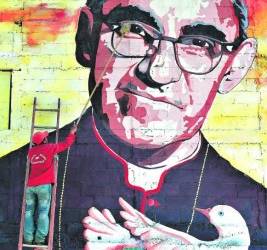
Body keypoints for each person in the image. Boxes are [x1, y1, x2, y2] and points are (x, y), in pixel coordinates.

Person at [0, 0, 266, 249]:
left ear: (236, 67)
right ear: (87, 37)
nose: (159, 71)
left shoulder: (258, 209)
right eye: (133, 30)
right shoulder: (7, 181)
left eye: (199, 43)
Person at [23, 125, 77, 245]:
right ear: (45, 140)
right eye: (46, 138)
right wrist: (72, 133)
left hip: (30, 186)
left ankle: (28, 238)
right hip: (43, 186)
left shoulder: (31, 152)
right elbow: (65, 144)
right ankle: (40, 241)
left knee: (28, 212)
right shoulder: (50, 148)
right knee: (43, 212)